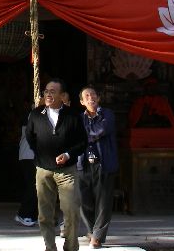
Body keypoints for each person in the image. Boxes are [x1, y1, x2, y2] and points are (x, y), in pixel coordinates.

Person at [25, 79, 86, 251]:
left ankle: (71, 247)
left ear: (62, 95)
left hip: (67, 171)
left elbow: (82, 142)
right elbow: (30, 137)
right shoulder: (36, 114)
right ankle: (50, 247)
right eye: (46, 91)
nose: (48, 94)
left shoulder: (73, 115)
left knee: (71, 210)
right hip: (43, 170)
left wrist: (68, 154)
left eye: (53, 91)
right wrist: (42, 154)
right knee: (45, 214)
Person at [77, 85, 118, 249]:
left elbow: (102, 130)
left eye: (93, 95)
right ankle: (92, 231)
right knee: (83, 200)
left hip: (104, 162)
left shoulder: (107, 114)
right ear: (82, 102)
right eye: (86, 96)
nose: (91, 98)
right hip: (84, 163)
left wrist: (85, 134)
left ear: (98, 98)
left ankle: (97, 236)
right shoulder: (79, 118)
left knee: (103, 202)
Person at [15, 108, 38, 226]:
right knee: (33, 186)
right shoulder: (34, 114)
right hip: (29, 155)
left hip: (35, 155)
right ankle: (24, 214)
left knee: (38, 186)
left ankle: (33, 215)